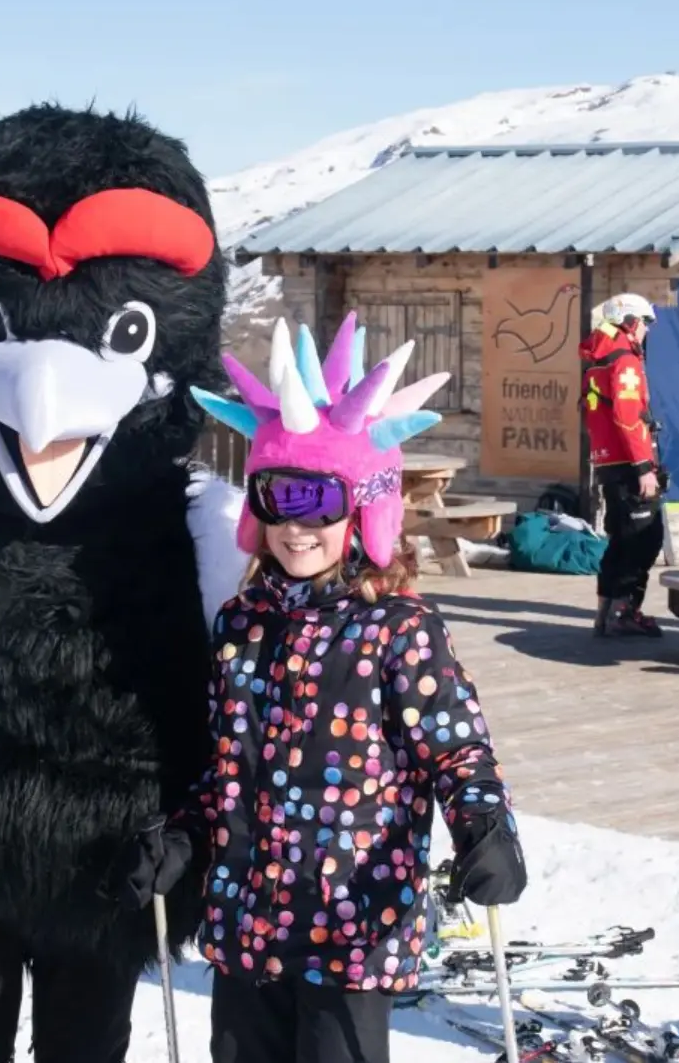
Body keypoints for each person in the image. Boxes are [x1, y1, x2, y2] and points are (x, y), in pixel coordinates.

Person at [180, 318, 528, 1063]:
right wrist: (184, 832)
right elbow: (219, 762)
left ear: (366, 507)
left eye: (319, 502)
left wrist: (485, 829)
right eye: (277, 498)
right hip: (247, 920)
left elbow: (457, 750)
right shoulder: (240, 624)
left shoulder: (396, 630)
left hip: (352, 923)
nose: (295, 528)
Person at [582, 293, 667, 637]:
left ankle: (606, 610)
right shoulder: (625, 361)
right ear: (631, 323)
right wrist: (644, 467)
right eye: (645, 323)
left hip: (608, 463)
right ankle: (624, 611)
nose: (647, 331)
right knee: (644, 539)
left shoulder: (599, 358)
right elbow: (627, 416)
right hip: (629, 465)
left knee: (619, 540)